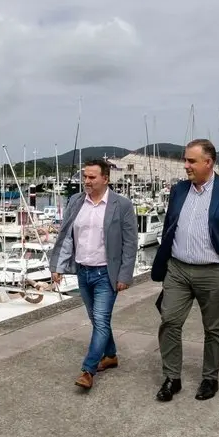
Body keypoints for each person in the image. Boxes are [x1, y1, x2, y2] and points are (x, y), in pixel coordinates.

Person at [151, 139, 219, 402]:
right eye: (185, 160)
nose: (186, 165)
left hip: (215, 272)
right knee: (170, 321)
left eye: (191, 161)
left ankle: (210, 378)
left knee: (214, 328)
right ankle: (172, 377)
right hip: (178, 270)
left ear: (208, 162)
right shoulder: (179, 190)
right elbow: (169, 227)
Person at [49, 159, 139, 389]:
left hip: (105, 274)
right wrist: (58, 266)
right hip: (82, 271)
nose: (86, 182)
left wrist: (124, 276)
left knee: (100, 320)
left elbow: (130, 244)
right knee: (97, 319)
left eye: (92, 177)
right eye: (85, 177)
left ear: (105, 179)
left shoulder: (122, 205)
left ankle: (88, 370)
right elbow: (66, 235)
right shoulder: (76, 201)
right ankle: (111, 356)